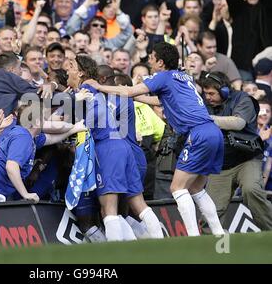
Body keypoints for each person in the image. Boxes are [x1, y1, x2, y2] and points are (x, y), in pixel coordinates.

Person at [85, 42, 225, 236]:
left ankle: (194, 237)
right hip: (212, 131)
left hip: (197, 133)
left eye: (151, 57)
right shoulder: (183, 76)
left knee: (177, 187)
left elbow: (128, 91)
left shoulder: (163, 76)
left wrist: (98, 86)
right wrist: (138, 98)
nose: (148, 60)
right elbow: (161, 100)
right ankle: (219, 234)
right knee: (196, 187)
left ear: (160, 61)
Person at [64, 54, 163, 241]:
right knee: (138, 204)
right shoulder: (98, 90)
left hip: (107, 148)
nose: (67, 70)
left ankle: (115, 253)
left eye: (70, 66)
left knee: (108, 209)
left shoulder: (86, 88)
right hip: (123, 146)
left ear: (81, 72)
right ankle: (159, 243)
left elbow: (68, 117)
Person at [201, 71, 272, 230]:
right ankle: (215, 250)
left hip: (246, 159)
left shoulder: (243, 99)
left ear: (224, 90)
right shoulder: (205, 105)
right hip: (220, 164)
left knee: (251, 190)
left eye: (211, 93)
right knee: (210, 211)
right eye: (205, 93)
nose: (208, 97)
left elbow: (238, 123)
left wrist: (206, 118)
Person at [0, 100, 86, 202]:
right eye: (44, 118)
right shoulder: (23, 137)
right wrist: (25, 194)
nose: (45, 121)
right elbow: (11, 167)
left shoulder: (29, 136)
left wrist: (74, 129)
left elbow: (51, 139)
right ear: (37, 122)